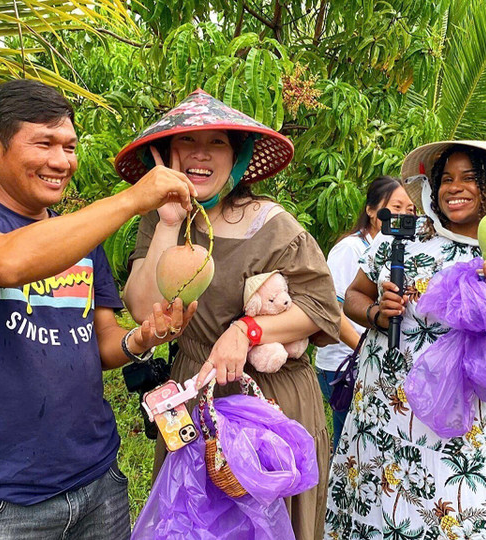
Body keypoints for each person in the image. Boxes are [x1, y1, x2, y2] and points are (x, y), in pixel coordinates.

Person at [0, 79, 198, 539]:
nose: (61, 161)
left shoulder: (82, 238)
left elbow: (100, 340)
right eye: (43, 143)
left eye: (69, 146)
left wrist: (141, 339)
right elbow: (9, 262)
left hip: (98, 481)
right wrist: (130, 199)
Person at [116, 89, 341, 539]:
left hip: (270, 398)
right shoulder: (161, 221)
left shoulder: (272, 224)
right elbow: (144, 308)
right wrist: (165, 221)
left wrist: (248, 330)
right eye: (187, 143)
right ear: (167, 154)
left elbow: (321, 310)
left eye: (217, 143)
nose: (200, 155)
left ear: (238, 157)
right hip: (197, 393)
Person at [324, 141, 486, 539]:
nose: (454, 188)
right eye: (446, 178)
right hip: (379, 419)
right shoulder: (402, 240)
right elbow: (354, 297)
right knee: (369, 518)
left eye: (470, 178)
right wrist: (376, 313)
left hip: (453, 436)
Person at [315, 176, 414, 452]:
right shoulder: (351, 249)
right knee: (349, 442)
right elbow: (334, 307)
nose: (404, 215)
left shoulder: (398, 247)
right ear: (372, 210)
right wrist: (363, 348)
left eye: (411, 209)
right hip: (342, 364)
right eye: (396, 206)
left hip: (366, 362)